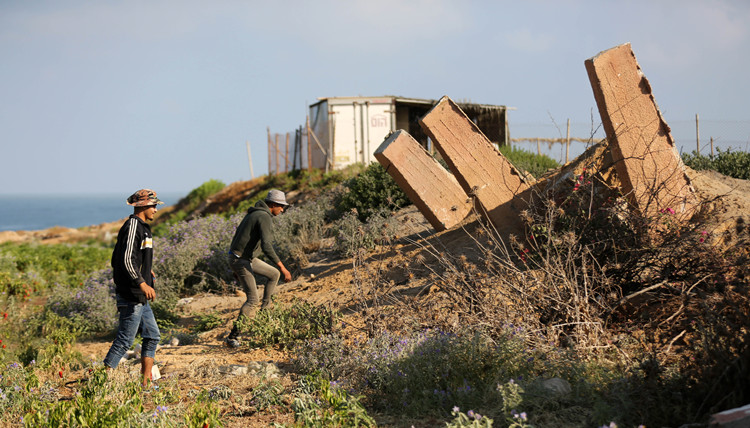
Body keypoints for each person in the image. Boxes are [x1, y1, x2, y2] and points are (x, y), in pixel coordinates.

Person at [103, 189, 163, 386]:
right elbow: (125, 259)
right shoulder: (132, 226)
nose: (155, 209)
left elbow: (132, 257)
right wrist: (141, 282)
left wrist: (148, 272)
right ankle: (100, 382)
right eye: (153, 206)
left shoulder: (144, 228)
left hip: (139, 295)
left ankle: (145, 384)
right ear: (143, 206)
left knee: (152, 336)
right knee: (124, 341)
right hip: (132, 293)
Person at [225, 189, 292, 347]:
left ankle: (265, 312)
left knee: (273, 274)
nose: (282, 210)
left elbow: (238, 237)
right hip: (241, 260)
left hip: (243, 258)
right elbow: (267, 246)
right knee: (253, 300)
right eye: (281, 206)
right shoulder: (263, 216)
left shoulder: (254, 213)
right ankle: (233, 337)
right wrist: (283, 268)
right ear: (273, 205)